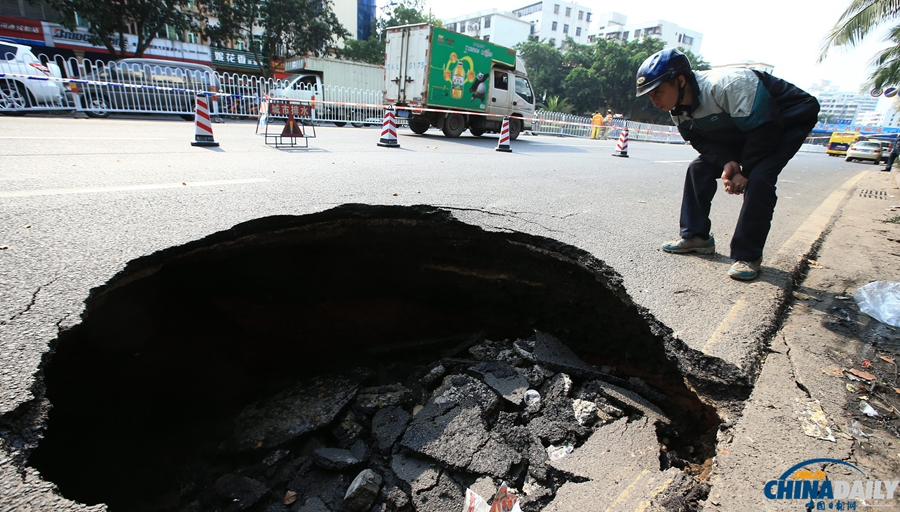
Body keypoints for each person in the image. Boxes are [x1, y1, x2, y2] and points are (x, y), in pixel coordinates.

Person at [636, 49, 820, 281]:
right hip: (745, 127)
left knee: (760, 178)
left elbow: (765, 129)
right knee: (698, 169)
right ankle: (696, 237)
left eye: (658, 92)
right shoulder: (678, 110)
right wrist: (727, 162)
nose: (654, 100)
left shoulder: (727, 86)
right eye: (649, 95)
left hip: (784, 120)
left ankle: (748, 256)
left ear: (680, 81)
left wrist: (746, 171)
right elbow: (699, 139)